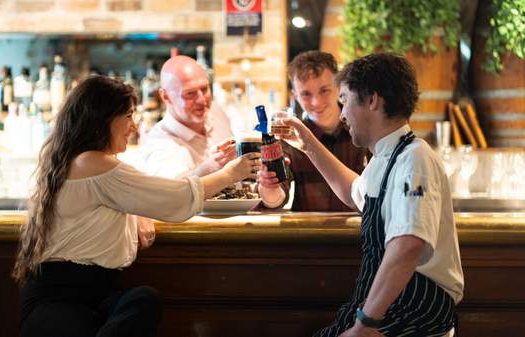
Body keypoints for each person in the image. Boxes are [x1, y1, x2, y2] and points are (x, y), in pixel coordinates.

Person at [12, 75, 260, 337]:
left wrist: (138, 210)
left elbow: (143, 197)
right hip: (60, 300)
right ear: (104, 118)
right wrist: (232, 174)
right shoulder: (92, 163)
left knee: (144, 299)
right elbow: (172, 197)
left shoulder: (81, 162)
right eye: (129, 116)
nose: (134, 126)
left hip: (98, 294)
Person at [277, 53, 463, 336]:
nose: (341, 114)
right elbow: (354, 193)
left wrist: (366, 323)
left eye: (345, 100)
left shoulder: (415, 159)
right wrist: (307, 142)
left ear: (373, 100)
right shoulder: (385, 158)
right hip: (391, 303)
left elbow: (407, 246)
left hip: (415, 307)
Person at [258, 51, 369, 211]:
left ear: (338, 87)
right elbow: (276, 199)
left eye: (324, 90)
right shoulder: (290, 137)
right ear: (296, 96)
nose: (316, 102)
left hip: (359, 233)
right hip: (308, 233)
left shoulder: (363, 131)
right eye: (306, 94)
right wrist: (269, 186)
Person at [127, 55, 237, 179]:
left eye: (205, 89)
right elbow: (171, 190)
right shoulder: (160, 143)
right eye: (190, 93)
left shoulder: (215, 111)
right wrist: (211, 167)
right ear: (165, 96)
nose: (202, 100)